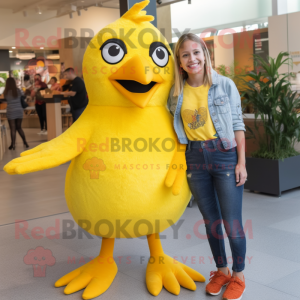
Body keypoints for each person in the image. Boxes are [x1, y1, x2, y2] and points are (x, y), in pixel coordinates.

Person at [167, 33, 247, 300]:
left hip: (225, 155)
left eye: (196, 53)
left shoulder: (225, 85)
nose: (192, 59)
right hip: (195, 158)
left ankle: (238, 275)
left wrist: (241, 163)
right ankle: (221, 271)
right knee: (211, 222)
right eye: (185, 55)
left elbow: (237, 124)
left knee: (231, 223)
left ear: (205, 54)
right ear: (179, 61)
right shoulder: (176, 93)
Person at [3, 77, 29, 150]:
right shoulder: (18, 91)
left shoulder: (6, 92)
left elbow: (5, 99)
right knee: (19, 127)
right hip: (19, 110)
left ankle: (13, 144)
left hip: (11, 111)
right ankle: (25, 142)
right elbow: (24, 97)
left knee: (12, 129)